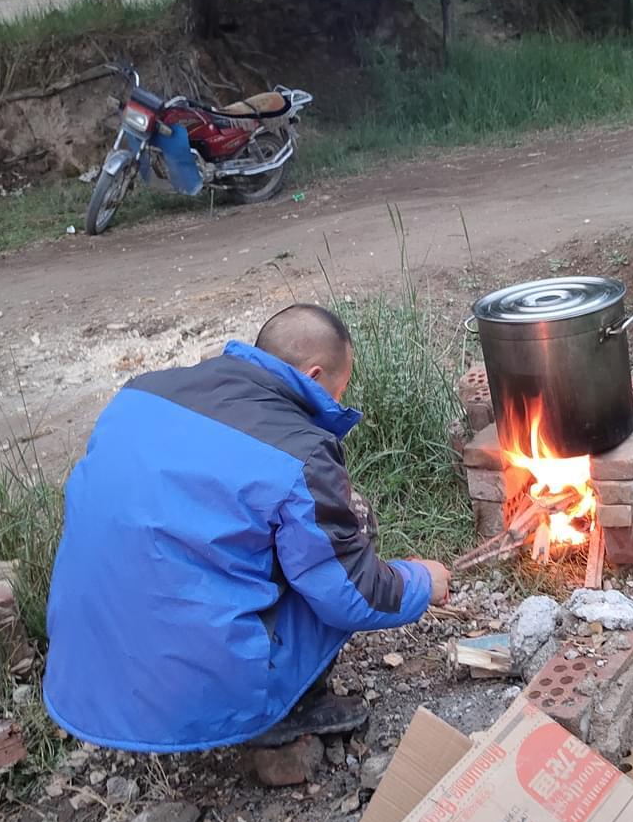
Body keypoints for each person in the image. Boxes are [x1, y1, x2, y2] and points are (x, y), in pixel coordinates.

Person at [43, 304, 450, 766]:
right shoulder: (301, 451)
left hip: (81, 675)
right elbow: (349, 593)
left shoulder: (140, 394)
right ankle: (282, 714)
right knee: (348, 528)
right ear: (314, 375)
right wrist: (421, 580)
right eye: (339, 393)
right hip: (189, 700)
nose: (338, 402)